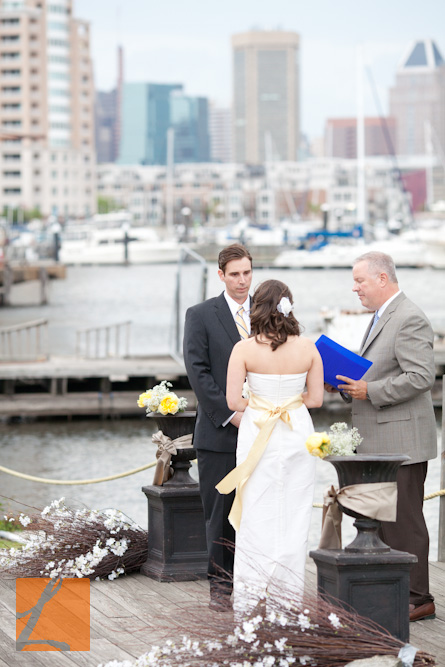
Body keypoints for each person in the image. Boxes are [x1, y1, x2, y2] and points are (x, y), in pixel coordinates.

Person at [336, 251, 437, 623]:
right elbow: (379, 371)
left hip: (403, 444)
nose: (355, 288)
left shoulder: (408, 317)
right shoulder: (381, 316)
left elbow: (421, 377)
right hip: (380, 441)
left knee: (404, 522)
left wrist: (370, 391)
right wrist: (346, 385)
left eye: (360, 280)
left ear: (382, 279)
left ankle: (419, 598)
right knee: (382, 521)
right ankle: (392, 589)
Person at [217, 279, 324, 614]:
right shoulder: (308, 348)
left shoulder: (243, 349)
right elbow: (316, 400)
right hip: (296, 431)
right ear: (288, 307)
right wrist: (289, 402)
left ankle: (249, 600)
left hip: (257, 430)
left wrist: (262, 405)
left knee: (255, 510)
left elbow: (233, 401)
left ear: (257, 308)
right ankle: (286, 602)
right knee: (294, 513)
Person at [183, 243, 253, 612]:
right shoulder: (200, 315)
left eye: (247, 273)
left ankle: (255, 582)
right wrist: (233, 415)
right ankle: (221, 589)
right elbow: (198, 373)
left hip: (265, 432)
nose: (242, 281)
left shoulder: (268, 311)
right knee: (221, 514)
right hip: (220, 433)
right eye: (235, 274)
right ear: (221, 275)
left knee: (259, 511)